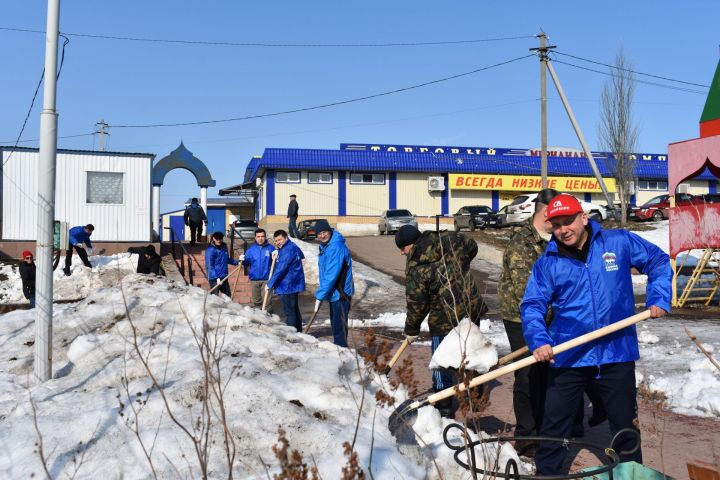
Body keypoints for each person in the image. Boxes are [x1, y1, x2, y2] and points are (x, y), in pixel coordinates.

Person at [521, 194, 672, 475]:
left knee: (624, 426)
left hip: (617, 351)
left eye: (568, 222)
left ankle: (630, 474)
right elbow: (532, 305)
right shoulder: (548, 263)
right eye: (556, 225)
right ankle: (547, 475)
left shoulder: (618, 242)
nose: (563, 230)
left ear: (583, 218)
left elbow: (658, 261)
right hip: (569, 354)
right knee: (555, 425)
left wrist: (659, 296)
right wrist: (539, 340)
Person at [396, 224, 488, 418]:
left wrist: (411, 328)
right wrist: (460, 268)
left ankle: (443, 402)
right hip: (470, 306)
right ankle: (476, 397)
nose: (403, 254)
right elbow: (472, 247)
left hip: (443, 318)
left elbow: (417, 302)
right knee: (471, 352)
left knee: (440, 359)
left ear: (410, 245)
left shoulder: (417, 265)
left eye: (403, 249)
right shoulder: (450, 239)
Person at [499, 188, 559, 450]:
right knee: (527, 376)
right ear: (545, 212)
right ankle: (526, 438)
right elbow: (528, 292)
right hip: (521, 318)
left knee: (548, 374)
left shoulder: (554, 238)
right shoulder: (521, 242)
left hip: (550, 317)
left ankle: (548, 429)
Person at [313, 219, 354, 347]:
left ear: (330, 231)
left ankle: (342, 354)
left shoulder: (336, 247)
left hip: (340, 292)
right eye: (319, 234)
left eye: (324, 232)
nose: (322, 236)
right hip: (334, 292)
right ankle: (340, 350)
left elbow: (331, 275)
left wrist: (320, 295)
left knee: (339, 328)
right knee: (336, 325)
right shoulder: (327, 246)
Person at [266, 229, 305, 332]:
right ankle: (299, 332)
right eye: (276, 241)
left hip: (287, 285)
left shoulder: (287, 250)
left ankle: (292, 334)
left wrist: (270, 284)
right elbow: (301, 255)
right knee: (294, 310)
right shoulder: (292, 247)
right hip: (293, 284)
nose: (278, 242)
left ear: (286, 238)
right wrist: (279, 251)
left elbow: (281, 269)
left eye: (280, 239)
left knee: (290, 312)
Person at [241, 228, 276, 313]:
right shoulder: (251, 250)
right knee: (257, 302)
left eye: (262, 236)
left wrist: (277, 256)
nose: (260, 238)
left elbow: (277, 263)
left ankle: (269, 321)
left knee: (267, 302)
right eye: (258, 236)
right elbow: (246, 263)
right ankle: (259, 320)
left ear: (265, 237)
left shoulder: (271, 248)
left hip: (267, 279)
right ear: (255, 238)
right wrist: (242, 260)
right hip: (255, 280)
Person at [205, 232, 239, 296]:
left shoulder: (224, 247)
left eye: (220, 239)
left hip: (224, 276)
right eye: (217, 239)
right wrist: (216, 277)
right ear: (213, 239)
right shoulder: (210, 250)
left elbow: (226, 259)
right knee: (214, 297)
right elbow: (209, 265)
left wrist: (237, 262)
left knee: (227, 297)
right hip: (214, 279)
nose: (219, 241)